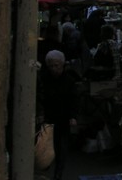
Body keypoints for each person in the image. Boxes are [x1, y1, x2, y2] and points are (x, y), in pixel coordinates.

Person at [37, 50, 79, 180]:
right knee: (45, 145)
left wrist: (73, 116)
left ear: (62, 65)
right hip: (48, 117)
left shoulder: (69, 80)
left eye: (57, 66)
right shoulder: (43, 79)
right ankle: (45, 168)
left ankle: (58, 174)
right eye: (51, 66)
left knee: (61, 148)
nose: (54, 69)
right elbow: (39, 97)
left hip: (63, 117)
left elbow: (74, 99)